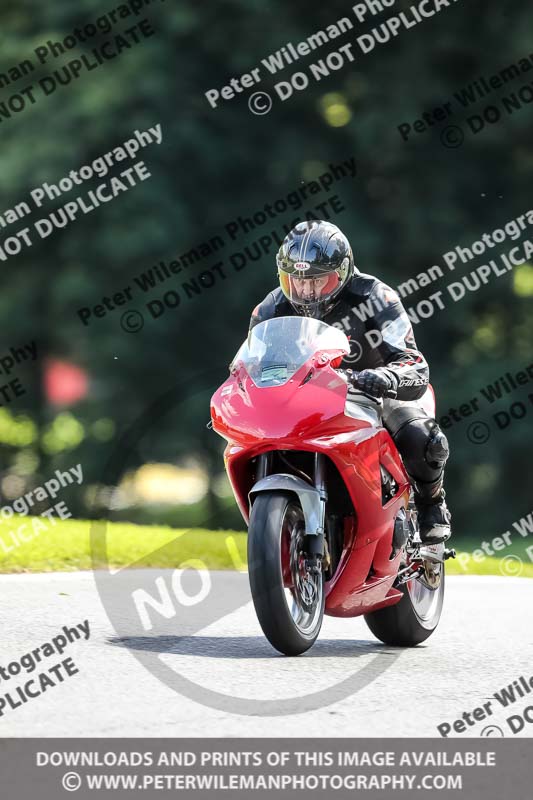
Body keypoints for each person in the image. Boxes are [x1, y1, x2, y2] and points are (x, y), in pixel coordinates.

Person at [248, 220, 451, 543]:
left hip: (376, 393)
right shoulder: (270, 308)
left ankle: (431, 505)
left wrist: (383, 377)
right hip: (307, 398)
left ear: (342, 273)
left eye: (319, 280)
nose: (306, 291)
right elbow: (254, 363)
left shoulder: (376, 296)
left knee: (421, 437)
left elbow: (414, 363)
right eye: (296, 280)